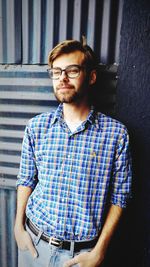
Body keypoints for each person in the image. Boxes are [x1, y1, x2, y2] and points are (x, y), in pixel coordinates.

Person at [14, 39, 132, 267]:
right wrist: (18, 227)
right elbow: (26, 179)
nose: (62, 78)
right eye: (56, 72)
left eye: (72, 70)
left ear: (91, 77)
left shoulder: (116, 135)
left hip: (81, 257)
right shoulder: (37, 127)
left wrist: (100, 251)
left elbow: (120, 196)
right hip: (33, 245)